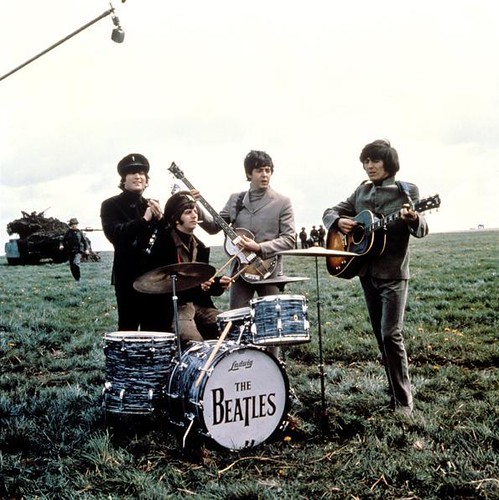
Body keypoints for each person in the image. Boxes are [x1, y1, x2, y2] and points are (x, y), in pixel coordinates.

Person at [322, 139, 429, 417]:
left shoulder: (407, 191)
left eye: (374, 161)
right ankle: (394, 394)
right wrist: (337, 222)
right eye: (365, 161)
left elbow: (422, 229)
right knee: (381, 339)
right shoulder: (361, 191)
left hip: (393, 274)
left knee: (390, 334)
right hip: (366, 273)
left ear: (388, 163)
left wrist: (413, 219)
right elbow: (329, 212)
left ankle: (405, 402)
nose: (369, 166)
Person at [198, 150, 296, 309]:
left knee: (272, 321)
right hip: (240, 273)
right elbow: (213, 227)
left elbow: (289, 240)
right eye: (259, 170)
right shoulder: (235, 200)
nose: (265, 175)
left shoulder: (283, 202)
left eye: (268, 170)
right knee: (237, 319)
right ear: (249, 174)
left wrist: (259, 248)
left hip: (269, 273)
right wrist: (196, 205)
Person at [149, 191, 229, 343]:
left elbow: (202, 289)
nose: (194, 215)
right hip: (174, 307)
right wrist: (198, 286)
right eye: (188, 212)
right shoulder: (163, 244)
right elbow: (160, 286)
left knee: (230, 328)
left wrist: (218, 284)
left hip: (199, 305)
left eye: (195, 211)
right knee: (193, 341)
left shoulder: (201, 247)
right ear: (175, 218)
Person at [100, 153, 167, 332]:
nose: (138, 176)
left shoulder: (151, 204)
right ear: (123, 179)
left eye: (142, 173)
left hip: (153, 275)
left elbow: (165, 240)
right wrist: (144, 220)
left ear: (147, 180)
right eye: (132, 172)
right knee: (128, 326)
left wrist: (161, 221)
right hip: (127, 275)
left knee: (153, 327)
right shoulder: (110, 205)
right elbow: (115, 234)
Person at [59, 217, 89, 282]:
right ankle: (76, 279)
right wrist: (61, 245)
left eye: (75, 224)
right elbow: (63, 240)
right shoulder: (68, 232)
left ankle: (79, 278)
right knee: (72, 266)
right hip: (70, 251)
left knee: (76, 263)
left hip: (78, 251)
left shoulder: (80, 232)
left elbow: (85, 241)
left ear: (77, 224)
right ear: (70, 225)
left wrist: (86, 249)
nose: (73, 225)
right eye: (72, 224)